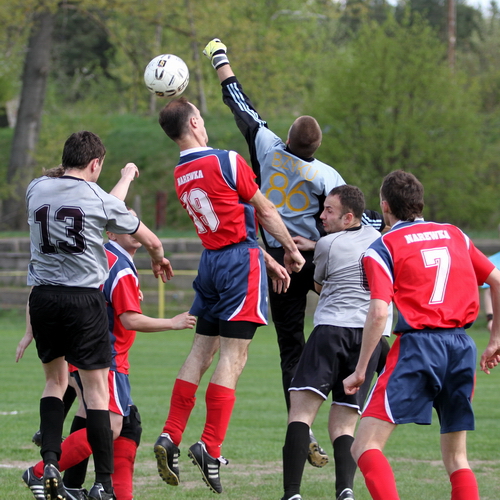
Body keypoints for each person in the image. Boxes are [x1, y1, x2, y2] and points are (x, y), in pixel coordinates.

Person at [203, 38, 386, 467]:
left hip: (278, 262)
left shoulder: (267, 146)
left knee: (291, 345)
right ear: (316, 149)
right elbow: (363, 218)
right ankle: (346, 393)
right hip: (314, 257)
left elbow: (239, 104)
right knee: (345, 323)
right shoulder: (326, 174)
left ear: (287, 137)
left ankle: (298, 424)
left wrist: (220, 58)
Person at [153, 97, 305, 494]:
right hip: (239, 263)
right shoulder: (227, 160)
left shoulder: (180, 172)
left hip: (212, 262)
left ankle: (169, 435)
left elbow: (225, 219)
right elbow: (266, 210)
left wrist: (262, 258)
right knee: (234, 356)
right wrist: (288, 250)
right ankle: (210, 445)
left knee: (200, 352)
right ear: (196, 121)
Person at [22, 130, 173, 500]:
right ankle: (104, 482)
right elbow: (149, 238)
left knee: (55, 383)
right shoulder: (96, 198)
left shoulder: (35, 188)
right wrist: (158, 256)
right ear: (95, 164)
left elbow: (82, 191)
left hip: (42, 298)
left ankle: (51, 461)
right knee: (97, 393)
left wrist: (121, 178)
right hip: (82, 301)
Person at [343, 170, 500, 500]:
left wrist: (360, 370)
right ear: (419, 202)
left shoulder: (382, 246)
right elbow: (497, 280)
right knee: (457, 459)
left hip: (417, 347)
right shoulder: (454, 234)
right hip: (461, 347)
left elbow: (380, 311)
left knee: (364, 445)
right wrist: (496, 338)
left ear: (385, 207)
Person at [19, 214, 196, 500]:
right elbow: (130, 320)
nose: (134, 229)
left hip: (82, 348)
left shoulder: (99, 254)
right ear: (112, 234)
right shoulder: (120, 266)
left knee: (95, 416)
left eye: (136, 224)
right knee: (114, 425)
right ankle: (40, 472)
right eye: (125, 225)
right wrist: (171, 322)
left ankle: (74, 486)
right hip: (106, 357)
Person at [281, 185, 391, 500]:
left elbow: (318, 282)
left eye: (329, 210)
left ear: (348, 217)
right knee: (344, 423)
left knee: (300, 413)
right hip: (367, 338)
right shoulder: (382, 242)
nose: (321, 215)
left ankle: (291, 494)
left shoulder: (328, 244)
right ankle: (345, 491)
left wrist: (311, 252)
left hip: (331, 330)